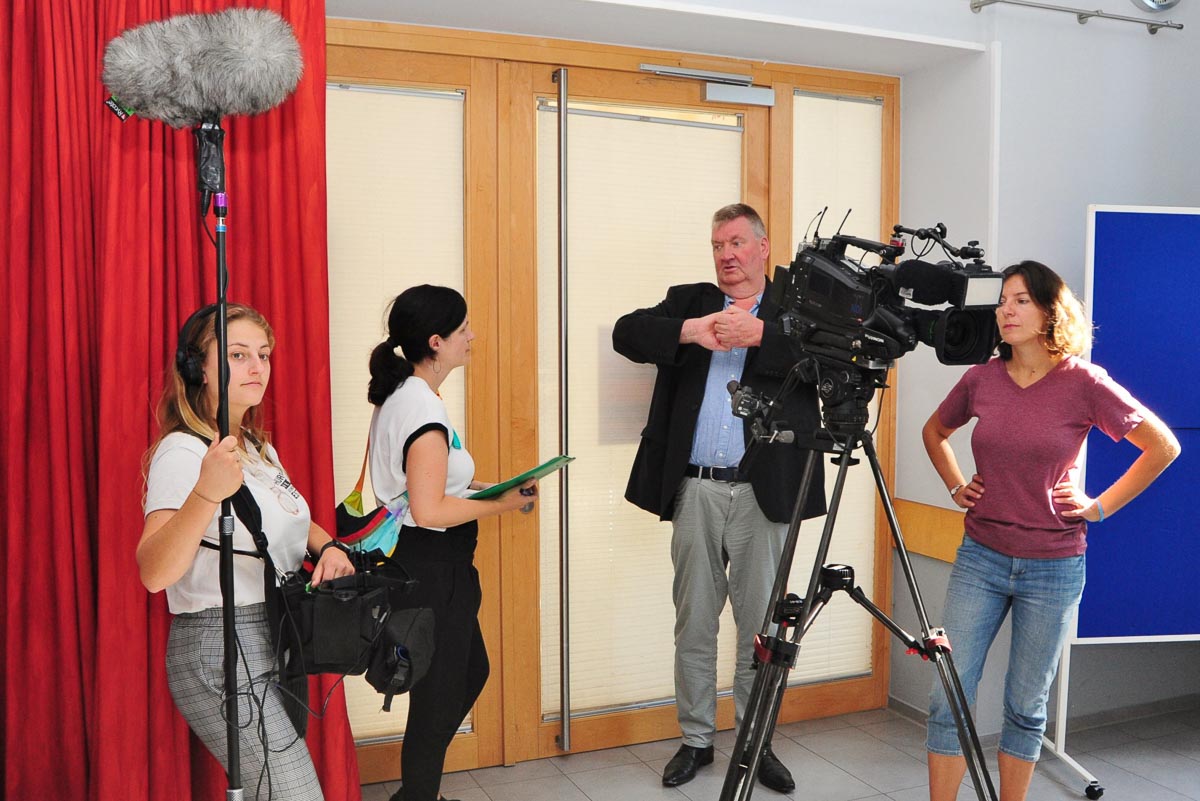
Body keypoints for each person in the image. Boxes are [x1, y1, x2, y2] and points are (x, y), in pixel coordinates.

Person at [921, 261, 1180, 801]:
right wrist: (956, 485)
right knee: (949, 694)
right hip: (981, 557)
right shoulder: (981, 379)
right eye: (1002, 301)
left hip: (1054, 567)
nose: (1005, 311)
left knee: (1025, 705)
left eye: (1020, 300)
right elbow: (935, 431)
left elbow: (1163, 446)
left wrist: (1098, 507)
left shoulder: (1083, 382)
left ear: (1049, 313)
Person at [612, 203, 826, 792]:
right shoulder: (689, 301)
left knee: (761, 631)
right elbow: (627, 333)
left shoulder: (796, 310)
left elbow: (832, 366)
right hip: (696, 489)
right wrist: (690, 330)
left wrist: (764, 336)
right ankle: (696, 740)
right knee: (695, 624)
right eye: (716, 245)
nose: (726, 255)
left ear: (763, 247)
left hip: (766, 494)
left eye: (736, 242)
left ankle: (757, 742)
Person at [138, 303, 356, 801]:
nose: (257, 367)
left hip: (276, 631)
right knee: (295, 794)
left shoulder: (256, 448)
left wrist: (329, 546)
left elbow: (289, 519)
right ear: (199, 368)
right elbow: (153, 571)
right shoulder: (185, 452)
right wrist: (205, 492)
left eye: (263, 354)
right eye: (238, 355)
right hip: (219, 643)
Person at [367, 285, 538, 801]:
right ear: (436, 342)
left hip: (428, 561)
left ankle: (416, 793)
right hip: (430, 564)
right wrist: (502, 505)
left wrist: (492, 488)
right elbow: (429, 510)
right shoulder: (420, 409)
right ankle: (419, 796)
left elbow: (430, 484)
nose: (473, 337)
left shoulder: (410, 395)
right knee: (438, 696)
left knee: (467, 673)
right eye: (464, 330)